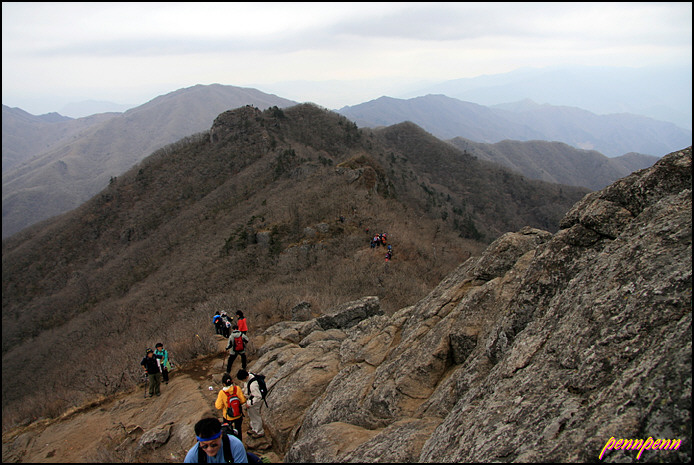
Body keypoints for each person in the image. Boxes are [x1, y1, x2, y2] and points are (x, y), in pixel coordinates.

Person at [183, 417, 248, 463]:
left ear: (220, 436)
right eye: (204, 446)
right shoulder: (192, 456)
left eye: (213, 445)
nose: (209, 449)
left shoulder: (235, 446)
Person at [215, 373, 247, 442]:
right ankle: (239, 443)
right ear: (232, 381)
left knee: (228, 431)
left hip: (228, 416)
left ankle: (230, 444)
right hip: (238, 414)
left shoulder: (222, 393)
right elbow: (243, 400)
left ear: (223, 384)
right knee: (238, 430)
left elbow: (218, 406)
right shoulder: (237, 388)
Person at [237, 369, 265, 438]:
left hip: (255, 402)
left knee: (255, 416)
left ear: (245, 377)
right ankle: (254, 428)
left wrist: (249, 404)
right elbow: (247, 388)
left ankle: (259, 431)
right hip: (251, 399)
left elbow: (258, 396)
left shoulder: (253, 384)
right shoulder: (249, 377)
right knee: (251, 415)